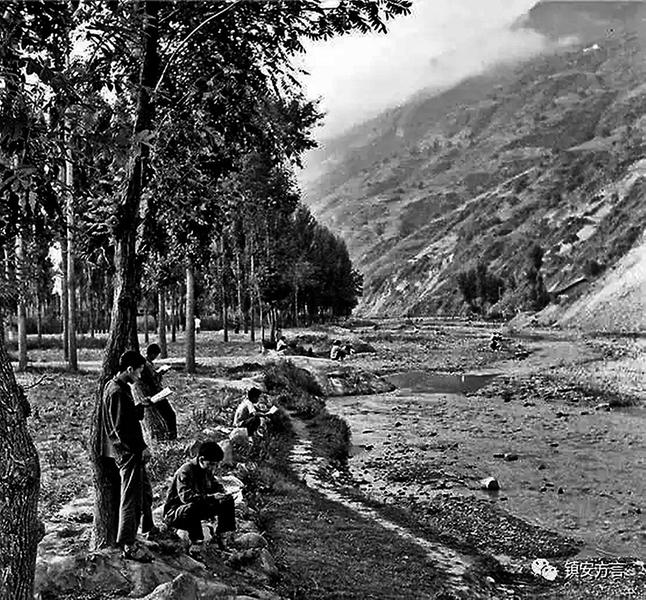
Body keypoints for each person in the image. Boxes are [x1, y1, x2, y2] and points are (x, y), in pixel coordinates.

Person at [102, 350, 155, 562]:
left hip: (129, 450)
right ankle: (128, 544)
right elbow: (120, 429)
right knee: (130, 499)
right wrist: (141, 447)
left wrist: (139, 407)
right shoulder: (116, 391)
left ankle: (146, 530)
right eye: (139, 371)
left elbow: (125, 417)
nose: (140, 376)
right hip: (128, 452)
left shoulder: (119, 387)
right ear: (129, 369)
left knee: (145, 493)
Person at [163, 441, 236, 558]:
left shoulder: (206, 470)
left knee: (227, 500)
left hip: (197, 509)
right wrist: (211, 497)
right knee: (193, 506)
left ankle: (222, 538)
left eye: (216, 465)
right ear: (201, 459)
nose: (213, 468)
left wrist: (223, 493)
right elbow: (186, 498)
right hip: (177, 513)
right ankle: (196, 543)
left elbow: (216, 486)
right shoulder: (185, 471)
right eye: (211, 464)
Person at [137, 343, 177, 441]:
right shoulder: (147, 365)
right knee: (170, 414)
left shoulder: (147, 363)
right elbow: (152, 380)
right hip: (154, 394)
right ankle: (172, 436)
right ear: (152, 354)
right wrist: (160, 373)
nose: (155, 357)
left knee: (168, 415)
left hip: (154, 392)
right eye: (155, 355)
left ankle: (169, 435)